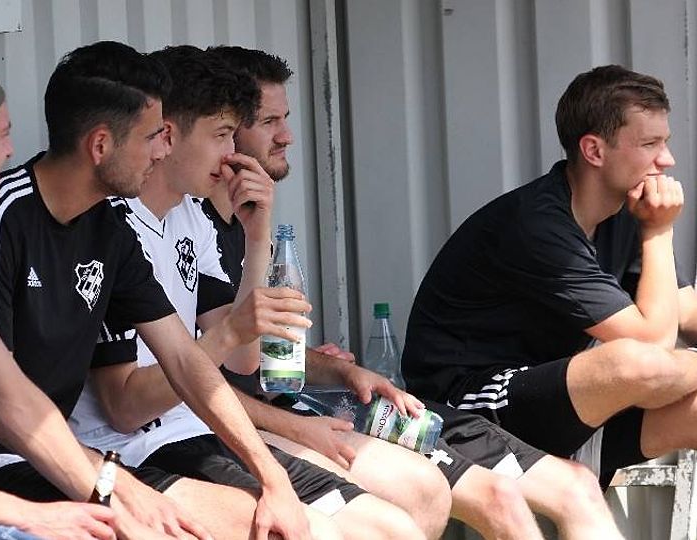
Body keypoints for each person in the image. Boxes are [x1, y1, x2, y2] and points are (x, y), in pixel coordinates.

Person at [208, 45, 624, 539]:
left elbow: (259, 351)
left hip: (323, 400)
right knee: (478, 497)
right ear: (226, 133)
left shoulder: (249, 227)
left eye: (287, 118)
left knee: (574, 484)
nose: (287, 136)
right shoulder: (191, 231)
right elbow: (203, 373)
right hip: (262, 423)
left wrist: (343, 371)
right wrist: (302, 417)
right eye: (269, 122)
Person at [0, 41, 338, 540]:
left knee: (272, 522)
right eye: (152, 136)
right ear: (101, 145)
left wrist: (271, 476)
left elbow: (184, 358)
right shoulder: (1, 217)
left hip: (64, 455)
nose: (162, 150)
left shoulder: (109, 227)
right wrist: (112, 483)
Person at [69, 45, 424, 540]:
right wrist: (236, 333)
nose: (230, 152)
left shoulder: (189, 218)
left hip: (199, 427)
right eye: (221, 135)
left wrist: (258, 237)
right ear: (168, 136)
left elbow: (244, 360)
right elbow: (126, 410)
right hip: (138, 449)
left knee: (395, 524)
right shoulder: (112, 229)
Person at [401, 63, 697, 493]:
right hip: (469, 412)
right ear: (594, 150)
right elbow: (652, 344)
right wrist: (659, 232)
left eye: (664, 142)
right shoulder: (537, 224)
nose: (666, 160)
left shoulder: (624, 211)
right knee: (633, 361)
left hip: (563, 409)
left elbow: (677, 309)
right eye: (650, 144)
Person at [0, 57, 125, 540]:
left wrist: (110, 508)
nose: (12, 149)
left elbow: (11, 395)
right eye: (4, 134)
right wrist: (32, 515)